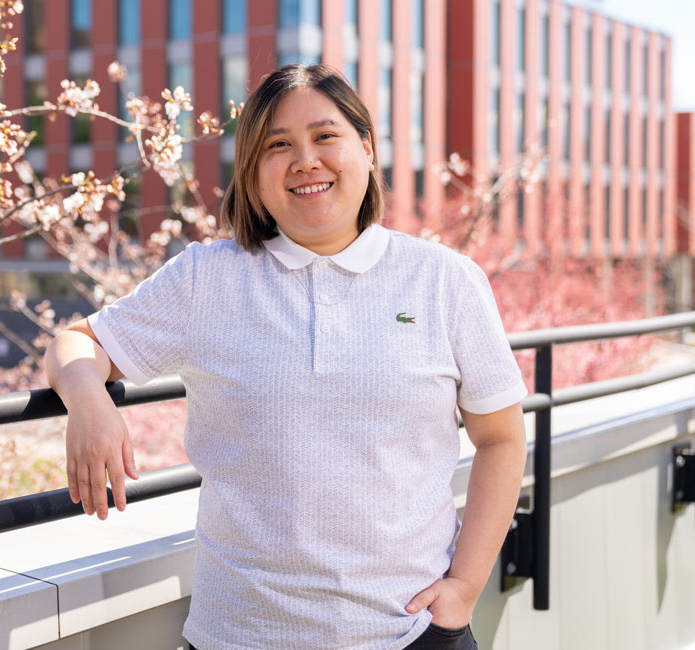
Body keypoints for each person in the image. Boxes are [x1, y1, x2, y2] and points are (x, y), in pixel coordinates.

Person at [44, 64, 527, 650]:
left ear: (367, 150)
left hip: (410, 633)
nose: (305, 161)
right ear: (254, 173)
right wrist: (89, 399)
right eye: (278, 145)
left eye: (325, 137)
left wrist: (466, 587)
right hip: (238, 636)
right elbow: (79, 342)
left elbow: (501, 437)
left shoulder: (444, 281)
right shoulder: (208, 279)